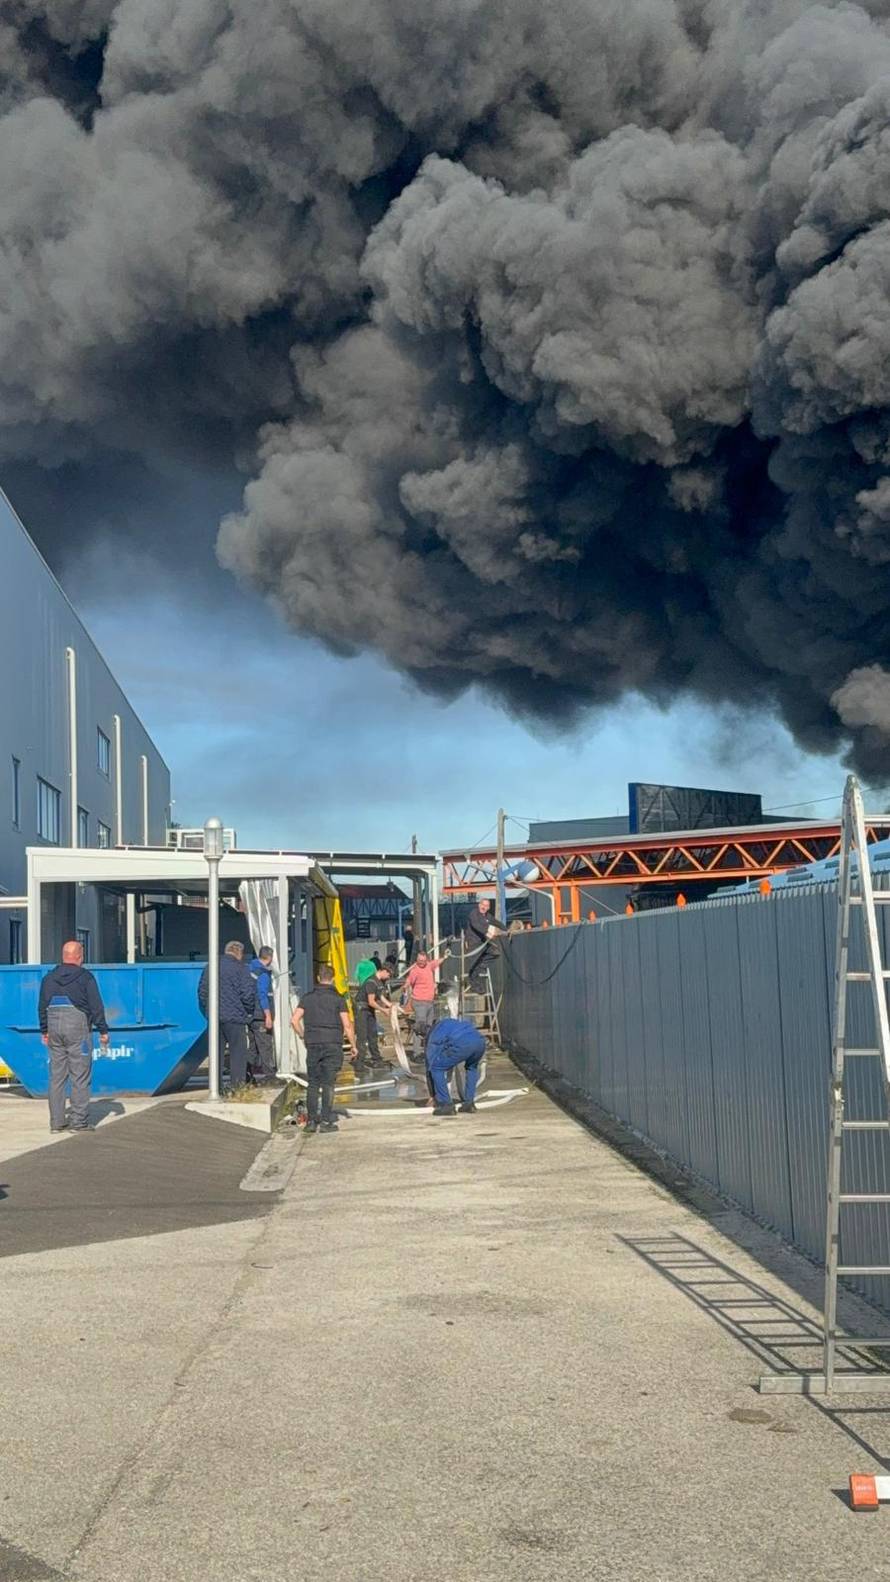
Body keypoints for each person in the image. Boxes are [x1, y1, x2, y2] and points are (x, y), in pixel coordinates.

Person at [38, 939, 109, 1133]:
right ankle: (78, 1122)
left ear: (63, 956)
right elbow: (96, 1007)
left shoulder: (48, 978)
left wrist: (44, 1030)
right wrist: (103, 1030)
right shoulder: (86, 977)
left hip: (54, 1029)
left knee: (57, 1077)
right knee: (80, 1076)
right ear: (79, 957)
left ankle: (57, 1123)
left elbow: (42, 1006)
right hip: (78, 1030)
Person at [291, 965, 356, 1134]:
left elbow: (294, 1020)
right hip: (332, 1044)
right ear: (332, 979)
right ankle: (326, 1121)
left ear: (318, 978)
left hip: (313, 1043)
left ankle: (311, 1122)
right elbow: (347, 1025)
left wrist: (303, 1036)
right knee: (328, 1084)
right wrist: (353, 1045)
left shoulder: (307, 998)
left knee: (313, 1083)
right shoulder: (339, 999)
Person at [198, 940, 257, 1090]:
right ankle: (237, 1087)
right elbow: (248, 994)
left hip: (215, 1017)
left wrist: (208, 1010)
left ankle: (216, 1088)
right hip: (235, 1017)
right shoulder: (241, 968)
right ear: (239, 953)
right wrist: (248, 1012)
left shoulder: (210, 967)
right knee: (238, 1053)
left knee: (216, 1053)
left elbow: (202, 991)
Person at [425, 1017, 486, 1117]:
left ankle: (446, 1105)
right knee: (472, 1068)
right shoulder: (451, 1022)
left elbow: (430, 1062)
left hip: (463, 1043)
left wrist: (433, 1094)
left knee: (436, 1068)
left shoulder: (434, 1033)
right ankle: (469, 1104)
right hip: (480, 1042)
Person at [403, 949, 445, 1060]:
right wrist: (405, 986)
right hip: (419, 1002)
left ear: (426, 960)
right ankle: (416, 1053)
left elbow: (437, 962)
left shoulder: (429, 966)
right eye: (419, 960)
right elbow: (409, 980)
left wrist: (445, 956)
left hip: (430, 1002)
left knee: (429, 1028)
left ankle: (427, 1052)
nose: (421, 962)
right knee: (420, 1028)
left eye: (423, 960)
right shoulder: (415, 970)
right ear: (417, 960)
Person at [354, 964, 393, 1070]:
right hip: (361, 1009)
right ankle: (359, 1063)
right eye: (388, 975)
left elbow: (380, 996)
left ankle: (377, 1059)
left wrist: (391, 1006)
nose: (389, 977)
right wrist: (383, 1010)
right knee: (362, 1036)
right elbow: (371, 1001)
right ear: (383, 971)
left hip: (369, 1010)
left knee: (373, 1035)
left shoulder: (379, 982)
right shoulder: (371, 982)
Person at [464, 897, 507, 992]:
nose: (484, 907)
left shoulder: (488, 916)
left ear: (488, 907)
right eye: (483, 905)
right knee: (473, 965)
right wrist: (487, 933)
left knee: (495, 953)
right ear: (479, 905)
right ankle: (475, 986)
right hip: (474, 943)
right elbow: (476, 925)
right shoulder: (474, 914)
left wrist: (506, 929)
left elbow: (496, 922)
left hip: (483, 943)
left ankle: (481, 966)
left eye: (486, 906)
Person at [247, 945, 276, 1083]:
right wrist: (268, 1016)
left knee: (253, 1047)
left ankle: (246, 1074)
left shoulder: (249, 968)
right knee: (265, 1045)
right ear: (269, 957)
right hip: (260, 1015)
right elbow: (262, 995)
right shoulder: (263, 974)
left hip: (250, 1014)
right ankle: (269, 1076)